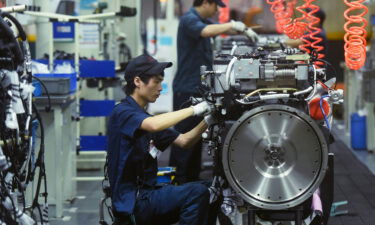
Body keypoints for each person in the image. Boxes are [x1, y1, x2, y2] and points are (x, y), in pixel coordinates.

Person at [107, 54, 217, 225]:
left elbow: (184, 141)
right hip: (134, 201)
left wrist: (210, 118)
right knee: (196, 193)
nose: (160, 87)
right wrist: (196, 109)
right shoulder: (123, 113)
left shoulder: (144, 117)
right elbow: (154, 125)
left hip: (148, 194)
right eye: (156, 82)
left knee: (212, 188)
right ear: (137, 82)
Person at [170, 0, 259, 184]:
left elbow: (220, 29)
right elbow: (206, 31)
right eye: (215, 5)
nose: (218, 9)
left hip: (196, 87)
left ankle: (191, 180)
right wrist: (234, 23)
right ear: (205, 3)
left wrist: (244, 30)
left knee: (194, 137)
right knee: (184, 138)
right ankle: (176, 182)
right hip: (187, 88)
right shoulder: (189, 20)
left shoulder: (201, 20)